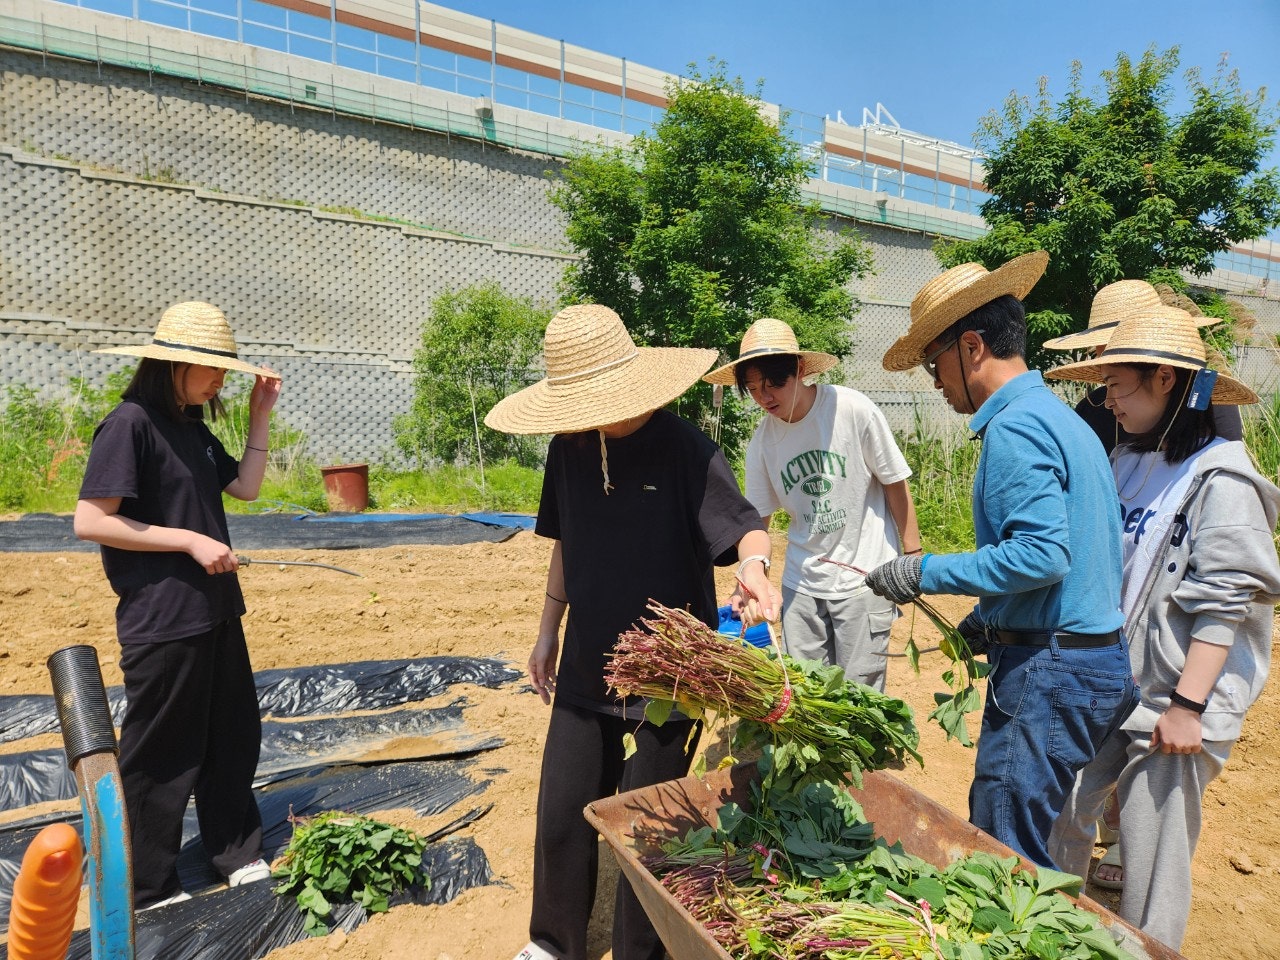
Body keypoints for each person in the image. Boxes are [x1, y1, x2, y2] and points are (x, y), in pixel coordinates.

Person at [484, 303, 780, 960]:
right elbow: (565, 547)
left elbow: (745, 526)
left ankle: (641, 951)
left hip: (669, 675)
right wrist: (546, 633)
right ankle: (552, 943)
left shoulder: (684, 450)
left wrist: (757, 567)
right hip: (590, 666)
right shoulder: (569, 449)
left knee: (652, 826)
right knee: (563, 812)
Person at [862, 251, 1138, 870]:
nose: (936, 382)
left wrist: (922, 571)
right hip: (1095, 656)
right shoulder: (1062, 420)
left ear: (971, 347)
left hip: (1051, 670)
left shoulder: (1016, 427)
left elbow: (1041, 555)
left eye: (936, 365)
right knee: (1031, 838)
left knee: (1002, 855)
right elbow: (1086, 552)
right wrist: (992, 620)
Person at [1045, 308, 1280, 951]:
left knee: (1152, 853)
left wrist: (1187, 707)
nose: (1108, 400)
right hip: (1114, 682)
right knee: (1064, 805)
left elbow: (1226, 601)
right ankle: (1050, 931)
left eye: (1119, 384)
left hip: (1174, 704)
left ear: (1167, 381)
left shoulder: (1224, 477)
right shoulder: (1128, 459)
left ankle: (1151, 947)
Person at [73, 301, 282, 910]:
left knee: (231, 735)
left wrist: (259, 417)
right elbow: (91, 520)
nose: (220, 380)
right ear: (172, 365)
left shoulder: (190, 427)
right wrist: (188, 539)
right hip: (164, 618)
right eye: (213, 369)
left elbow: (244, 486)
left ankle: (235, 854)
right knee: (161, 754)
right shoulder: (129, 424)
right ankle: (145, 886)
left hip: (216, 608)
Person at [702, 317, 920, 690]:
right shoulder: (763, 443)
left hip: (865, 577)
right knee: (806, 688)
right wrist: (747, 584)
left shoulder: (850, 409)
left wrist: (913, 554)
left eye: (774, 384)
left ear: (800, 370)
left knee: (861, 694)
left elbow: (893, 481)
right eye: (753, 389)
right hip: (802, 581)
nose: (764, 397)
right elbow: (758, 522)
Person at [1043, 279, 1243, 454]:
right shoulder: (1093, 407)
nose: (1110, 403)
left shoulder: (1205, 395)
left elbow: (1224, 458)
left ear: (1165, 377)